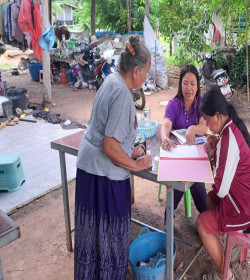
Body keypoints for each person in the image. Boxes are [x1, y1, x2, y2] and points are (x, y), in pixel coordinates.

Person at [74, 35, 152, 280]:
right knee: (108, 240)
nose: (147, 78)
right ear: (136, 70)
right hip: (104, 177)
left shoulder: (112, 81)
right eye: (146, 73)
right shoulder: (122, 95)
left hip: (90, 171)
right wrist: (135, 165)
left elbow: (111, 136)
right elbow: (109, 146)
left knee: (94, 240)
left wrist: (129, 149)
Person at [197, 89, 250, 280]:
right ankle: (229, 247)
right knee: (209, 199)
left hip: (249, 214)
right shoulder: (231, 127)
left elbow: (221, 190)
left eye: (207, 119)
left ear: (218, 116)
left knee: (202, 223)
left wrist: (211, 156)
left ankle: (224, 273)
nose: (206, 124)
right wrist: (217, 148)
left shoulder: (228, 140)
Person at [160, 64, 209, 217]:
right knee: (183, 177)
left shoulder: (201, 102)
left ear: (197, 85)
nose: (189, 88)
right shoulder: (173, 104)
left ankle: (204, 215)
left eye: (192, 84)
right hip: (177, 154)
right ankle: (170, 214)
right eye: (185, 83)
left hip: (194, 155)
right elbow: (166, 124)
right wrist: (164, 138)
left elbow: (204, 127)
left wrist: (192, 129)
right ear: (180, 84)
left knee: (194, 177)